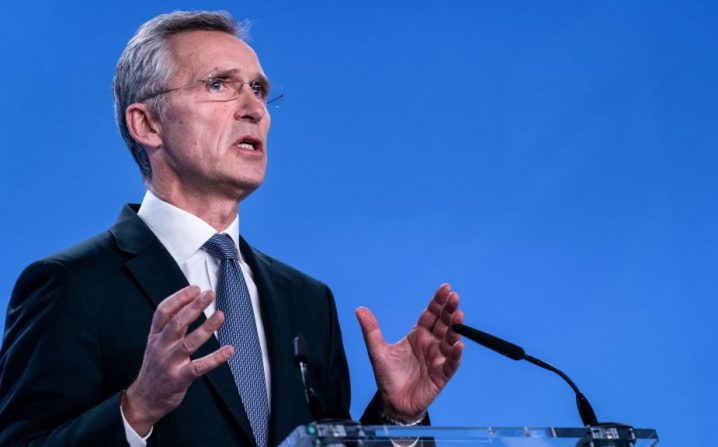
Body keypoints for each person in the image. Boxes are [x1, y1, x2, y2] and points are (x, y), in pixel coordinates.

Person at [0, 10, 464, 447]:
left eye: (259, 90)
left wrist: (397, 418)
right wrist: (136, 409)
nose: (255, 110)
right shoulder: (71, 285)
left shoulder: (307, 300)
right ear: (147, 123)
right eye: (220, 85)